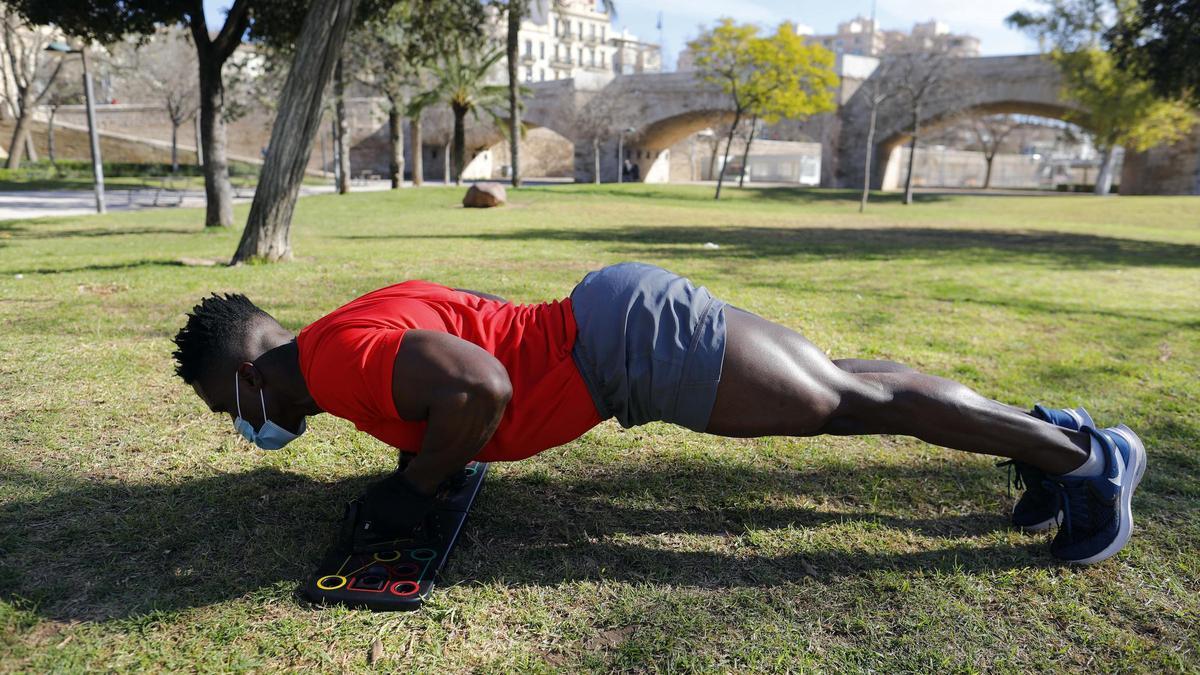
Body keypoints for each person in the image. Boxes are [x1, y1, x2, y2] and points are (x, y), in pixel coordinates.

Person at [172, 262, 1145, 565]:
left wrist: (416, 485)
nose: (247, 425)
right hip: (620, 329)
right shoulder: (348, 327)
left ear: (253, 371)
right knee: (849, 391)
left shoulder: (336, 362)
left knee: (851, 400)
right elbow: (462, 362)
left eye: (233, 407)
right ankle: (1048, 434)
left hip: (627, 351)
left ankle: (1085, 459)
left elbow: (480, 388)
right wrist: (425, 464)